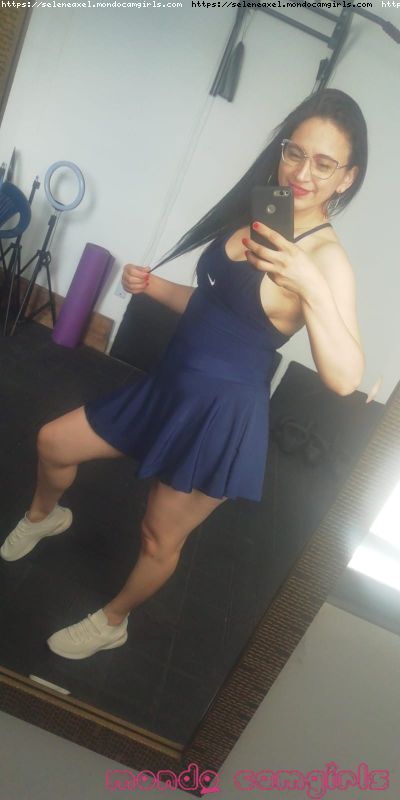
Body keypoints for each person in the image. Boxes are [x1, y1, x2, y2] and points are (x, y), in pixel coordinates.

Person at [1, 88, 366, 660]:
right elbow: (218, 305)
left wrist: (310, 285)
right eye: (295, 152)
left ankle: (113, 621)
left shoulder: (327, 261)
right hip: (168, 387)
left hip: (218, 417)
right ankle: (44, 516)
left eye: (324, 164)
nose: (302, 173)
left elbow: (345, 377)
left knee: (157, 535)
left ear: (347, 177)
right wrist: (153, 288)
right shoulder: (266, 210)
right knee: (53, 442)